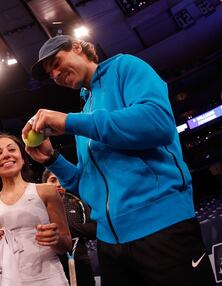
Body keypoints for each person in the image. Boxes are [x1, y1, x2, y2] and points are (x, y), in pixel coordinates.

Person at [22, 35, 215, 285]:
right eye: (51, 74)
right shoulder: (84, 113)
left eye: (57, 62)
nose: (56, 74)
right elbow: (86, 184)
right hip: (110, 245)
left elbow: (157, 124)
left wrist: (69, 121)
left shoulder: (124, 67)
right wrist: (51, 158)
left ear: (78, 48)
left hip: (162, 227)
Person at [0, 133, 71, 285]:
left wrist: (56, 240)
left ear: (23, 159)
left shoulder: (48, 191)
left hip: (50, 279)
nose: (6, 155)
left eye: (11, 150)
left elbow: (66, 244)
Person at [42, 169, 96, 286]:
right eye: (53, 180)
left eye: (61, 180)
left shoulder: (78, 203)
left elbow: (94, 229)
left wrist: (65, 229)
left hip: (80, 261)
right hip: (51, 263)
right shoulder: (38, 207)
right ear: (44, 184)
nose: (58, 184)